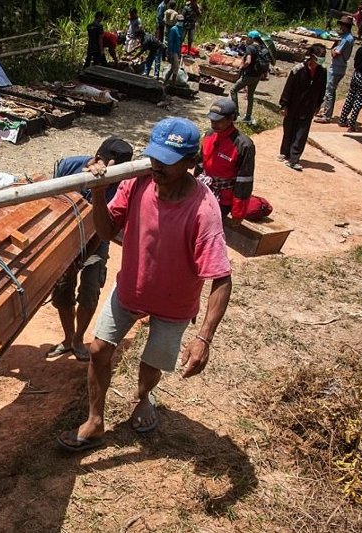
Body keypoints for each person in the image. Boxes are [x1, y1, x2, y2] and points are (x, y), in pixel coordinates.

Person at [56, 117, 232, 452]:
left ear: (191, 163)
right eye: (154, 156)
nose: (156, 166)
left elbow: (222, 277)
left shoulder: (203, 210)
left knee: (151, 362)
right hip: (130, 290)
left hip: (174, 303)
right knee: (98, 350)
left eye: (167, 161)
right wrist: (97, 191)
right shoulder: (137, 182)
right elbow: (107, 232)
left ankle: (143, 398)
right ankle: (95, 420)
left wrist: (204, 338)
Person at [47, 137, 134, 362]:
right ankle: (67, 339)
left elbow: (105, 228)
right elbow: (52, 202)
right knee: (63, 289)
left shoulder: (123, 183)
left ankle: (78, 339)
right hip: (64, 237)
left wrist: (80, 259)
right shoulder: (69, 166)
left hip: (97, 240)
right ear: (96, 158)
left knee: (89, 290)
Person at [196, 97, 257, 217]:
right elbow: (200, 165)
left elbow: (244, 180)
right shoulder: (209, 135)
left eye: (219, 121)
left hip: (223, 199)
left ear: (231, 119)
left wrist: (238, 212)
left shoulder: (244, 145)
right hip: (202, 190)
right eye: (212, 120)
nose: (214, 124)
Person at [279, 44, 328, 171]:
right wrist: (284, 104)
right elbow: (288, 88)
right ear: (312, 56)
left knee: (301, 133)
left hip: (309, 107)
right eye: (320, 57)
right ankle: (285, 151)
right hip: (293, 105)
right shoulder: (298, 70)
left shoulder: (322, 72)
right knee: (289, 128)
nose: (322, 60)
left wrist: (318, 104)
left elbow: (322, 89)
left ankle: (294, 159)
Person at [315, 16, 356, 123]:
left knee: (329, 91)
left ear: (345, 26)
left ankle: (327, 116)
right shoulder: (348, 37)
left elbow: (335, 53)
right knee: (331, 91)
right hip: (339, 67)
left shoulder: (346, 39)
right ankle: (327, 112)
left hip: (337, 68)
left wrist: (333, 49)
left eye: (341, 25)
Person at [230, 31, 266, 124]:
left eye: (248, 38)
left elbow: (248, 61)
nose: (247, 40)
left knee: (233, 90)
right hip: (257, 76)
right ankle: (248, 116)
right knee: (250, 95)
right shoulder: (262, 47)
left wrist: (242, 67)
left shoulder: (250, 48)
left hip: (249, 75)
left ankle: (236, 114)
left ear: (251, 38)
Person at [164, 15, 184, 86]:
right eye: (179, 21)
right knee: (176, 67)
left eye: (181, 21)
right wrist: (170, 53)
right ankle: (172, 83)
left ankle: (166, 82)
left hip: (177, 51)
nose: (180, 22)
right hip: (173, 51)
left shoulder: (181, 29)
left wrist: (180, 52)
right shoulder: (173, 29)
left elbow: (180, 42)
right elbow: (170, 42)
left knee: (173, 68)